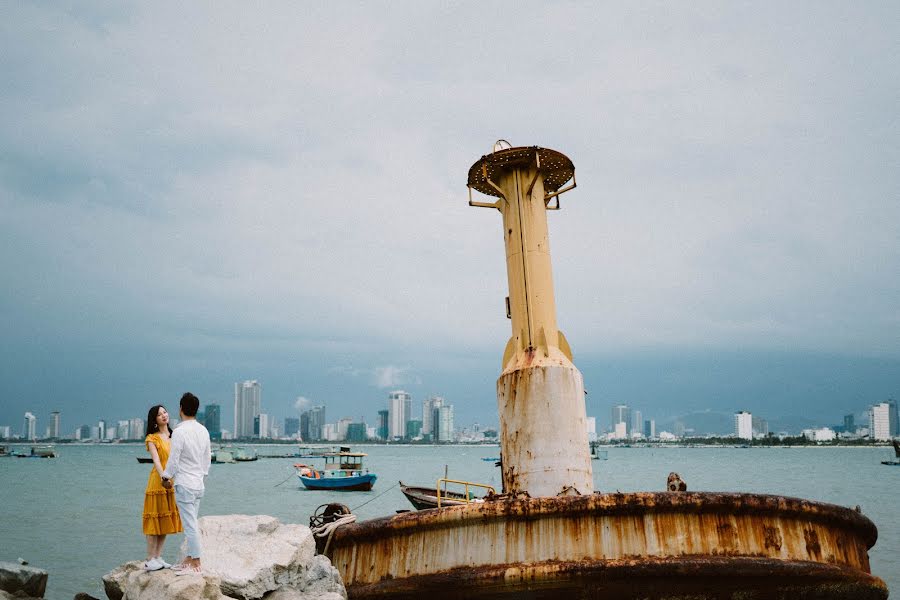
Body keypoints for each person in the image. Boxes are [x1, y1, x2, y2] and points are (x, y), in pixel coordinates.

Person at [161, 392, 211, 575]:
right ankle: (189, 558)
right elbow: (207, 459)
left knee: (190, 525)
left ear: (181, 408)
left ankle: (196, 562)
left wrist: (166, 477)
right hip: (198, 484)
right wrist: (201, 476)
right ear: (196, 410)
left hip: (185, 484)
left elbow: (174, 460)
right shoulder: (203, 430)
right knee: (192, 522)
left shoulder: (180, 431)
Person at [142, 405, 183, 571]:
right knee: (154, 519)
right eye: (159, 415)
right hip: (158, 481)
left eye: (165, 412)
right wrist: (164, 476)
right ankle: (149, 559)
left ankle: (158, 557)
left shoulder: (175, 435)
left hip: (172, 482)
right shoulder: (152, 438)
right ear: (155, 420)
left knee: (164, 520)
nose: (164, 415)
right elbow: (157, 461)